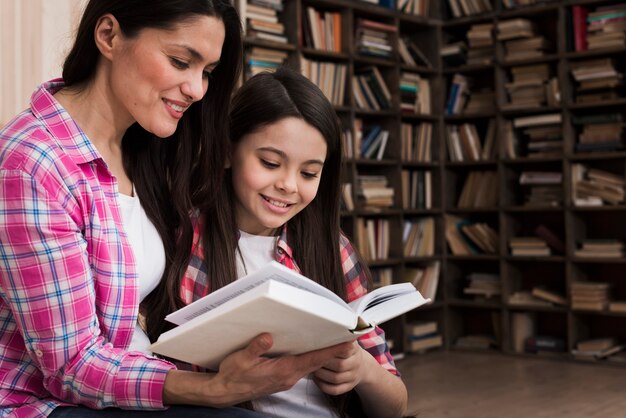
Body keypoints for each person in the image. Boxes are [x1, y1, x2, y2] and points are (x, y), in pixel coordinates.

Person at [0, 1, 353, 417]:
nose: (198, 89)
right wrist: (215, 388)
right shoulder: (32, 165)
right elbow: (71, 367)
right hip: (47, 404)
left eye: (206, 72)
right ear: (109, 36)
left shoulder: (143, 146)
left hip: (125, 383)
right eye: (181, 61)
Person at [179, 67, 409, 417]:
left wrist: (363, 370)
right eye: (271, 163)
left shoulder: (332, 248)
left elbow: (395, 405)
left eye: (308, 173)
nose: (289, 185)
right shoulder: (184, 242)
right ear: (227, 151)